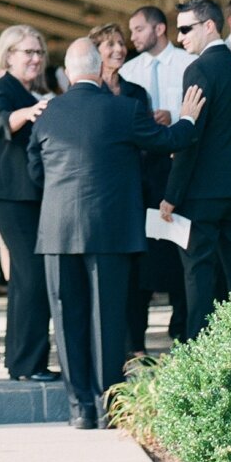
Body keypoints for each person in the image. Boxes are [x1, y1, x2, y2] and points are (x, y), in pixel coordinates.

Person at [29, 37, 205, 428]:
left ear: (69, 73)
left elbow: (35, 172)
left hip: (58, 231)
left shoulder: (47, 113)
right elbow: (167, 141)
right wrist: (189, 117)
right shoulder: (124, 109)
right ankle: (109, 406)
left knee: (67, 318)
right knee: (107, 318)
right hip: (109, 230)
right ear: (98, 68)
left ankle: (80, 410)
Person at [161, 0, 231, 338]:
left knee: (199, 275)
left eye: (186, 29)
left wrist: (171, 196)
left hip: (201, 195)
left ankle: (198, 355)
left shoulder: (199, 70)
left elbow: (190, 139)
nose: (180, 37)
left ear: (209, 26)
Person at [0, 26, 57, 384]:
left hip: (22, 194)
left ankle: (22, 361)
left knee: (26, 277)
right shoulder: (1, 88)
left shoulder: (23, 90)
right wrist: (29, 111)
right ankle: (28, 362)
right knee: (33, 275)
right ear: (8, 55)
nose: (35, 58)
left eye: (38, 52)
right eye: (27, 52)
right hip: (7, 195)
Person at [120, 4, 193, 340]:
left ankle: (182, 333)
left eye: (137, 29)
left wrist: (175, 117)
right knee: (143, 260)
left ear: (159, 28)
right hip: (143, 176)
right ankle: (136, 340)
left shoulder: (187, 63)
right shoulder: (129, 73)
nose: (131, 37)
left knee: (181, 256)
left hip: (182, 170)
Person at [95, 21, 160, 350]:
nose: (119, 49)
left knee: (138, 274)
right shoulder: (89, 93)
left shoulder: (137, 92)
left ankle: (137, 344)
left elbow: (146, 141)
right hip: (102, 195)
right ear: (96, 53)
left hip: (137, 190)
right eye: (110, 45)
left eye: (121, 44)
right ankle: (110, 344)